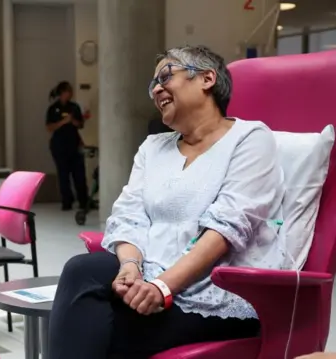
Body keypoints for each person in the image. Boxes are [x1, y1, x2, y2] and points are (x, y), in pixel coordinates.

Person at [48, 45, 289, 358]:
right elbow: (129, 216)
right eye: (153, 85)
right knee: (83, 270)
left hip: (215, 294)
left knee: (95, 328)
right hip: (149, 273)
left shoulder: (250, 139)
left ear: (207, 79)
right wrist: (129, 266)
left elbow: (225, 230)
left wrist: (162, 287)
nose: (156, 89)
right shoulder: (153, 147)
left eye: (165, 76)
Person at [46, 81, 88, 211]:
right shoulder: (53, 109)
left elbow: (80, 124)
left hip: (74, 144)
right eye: (68, 91)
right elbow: (49, 127)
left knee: (79, 174)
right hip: (59, 146)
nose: (70, 93)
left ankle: (83, 201)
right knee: (63, 174)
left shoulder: (74, 107)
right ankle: (67, 201)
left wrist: (74, 121)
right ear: (62, 93)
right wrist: (64, 121)